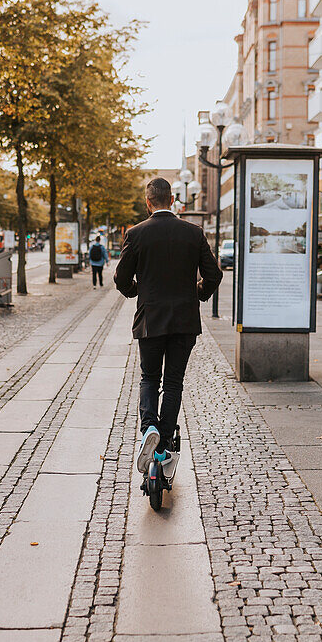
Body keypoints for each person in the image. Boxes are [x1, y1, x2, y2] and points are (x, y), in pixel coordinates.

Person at [115, 178, 223, 481]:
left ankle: (148, 425)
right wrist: (198, 294)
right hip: (185, 321)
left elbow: (121, 278)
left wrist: (137, 290)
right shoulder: (193, 233)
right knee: (173, 383)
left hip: (151, 319)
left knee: (149, 377)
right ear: (173, 199)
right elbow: (213, 274)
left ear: (148, 202)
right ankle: (162, 444)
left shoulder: (136, 234)